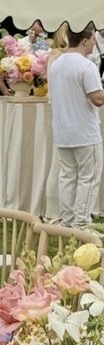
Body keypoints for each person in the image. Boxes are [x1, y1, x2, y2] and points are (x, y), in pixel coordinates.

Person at [47, 22, 104, 227]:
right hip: (84, 131)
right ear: (85, 40)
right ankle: (81, 221)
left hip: (63, 131)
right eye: (92, 41)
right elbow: (97, 99)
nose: (93, 46)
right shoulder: (86, 65)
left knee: (67, 177)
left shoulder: (56, 64)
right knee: (88, 178)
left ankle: (67, 219)